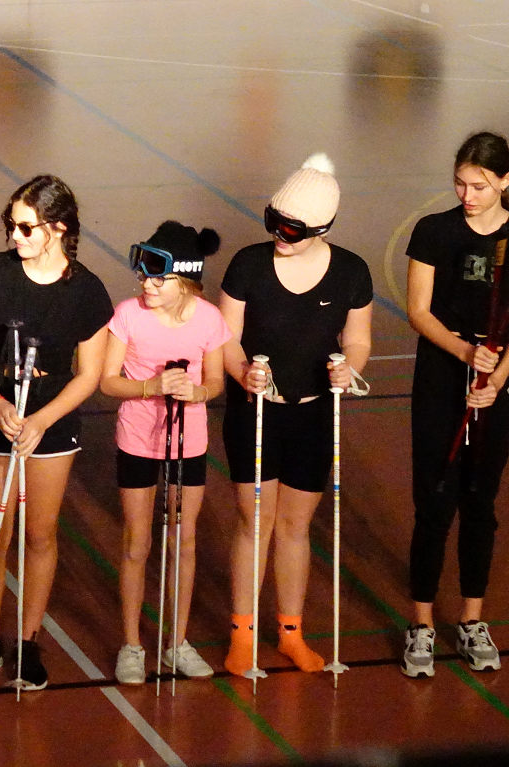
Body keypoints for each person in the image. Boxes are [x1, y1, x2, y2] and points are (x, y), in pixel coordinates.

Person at [0, 174, 112, 690]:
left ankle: (28, 641)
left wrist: (43, 421)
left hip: (51, 417)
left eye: (26, 227)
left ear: (58, 228)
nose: (14, 236)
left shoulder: (87, 291)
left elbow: (89, 374)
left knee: (40, 534)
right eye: (11, 225)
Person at [401, 132, 509, 678]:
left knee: (480, 502)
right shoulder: (433, 231)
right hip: (442, 374)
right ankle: (420, 623)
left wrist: (496, 377)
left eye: (480, 186)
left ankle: (471, 619)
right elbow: (419, 311)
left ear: (505, 181)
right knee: (434, 500)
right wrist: (465, 352)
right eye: (460, 183)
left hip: (496, 380)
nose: (467, 195)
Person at [219, 154, 372, 676]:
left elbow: (357, 339)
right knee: (254, 522)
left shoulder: (351, 271)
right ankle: (242, 633)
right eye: (273, 221)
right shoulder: (248, 265)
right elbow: (227, 336)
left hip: (312, 415)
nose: (278, 236)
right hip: (255, 412)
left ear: (322, 228)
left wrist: (348, 369)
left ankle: (290, 632)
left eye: (291, 230)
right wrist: (243, 372)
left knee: (295, 525)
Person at [100, 221, 229, 685]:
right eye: (144, 276)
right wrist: (151, 387)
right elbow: (107, 380)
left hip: (188, 445)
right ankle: (132, 645)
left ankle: (178, 642)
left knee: (183, 541)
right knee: (137, 543)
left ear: (187, 280)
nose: (147, 285)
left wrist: (197, 393)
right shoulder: (127, 315)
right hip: (137, 441)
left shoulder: (209, 319)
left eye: (159, 279)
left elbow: (216, 380)